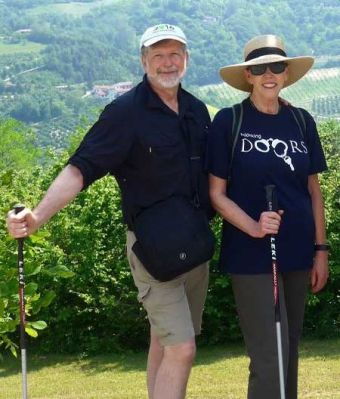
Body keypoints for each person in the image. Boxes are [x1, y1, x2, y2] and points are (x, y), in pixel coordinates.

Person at [6, 24, 212, 399]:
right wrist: (37, 216)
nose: (168, 63)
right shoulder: (124, 113)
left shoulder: (197, 111)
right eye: (158, 55)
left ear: (187, 58)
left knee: (163, 342)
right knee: (182, 349)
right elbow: (79, 169)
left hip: (196, 247)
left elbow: (217, 177)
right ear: (143, 60)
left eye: (174, 54)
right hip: (153, 251)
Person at [207, 35, 329, 399]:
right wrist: (254, 227)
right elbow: (216, 194)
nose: (269, 74)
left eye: (276, 66)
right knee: (268, 356)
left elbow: (313, 192)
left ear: (287, 72)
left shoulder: (301, 120)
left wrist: (320, 249)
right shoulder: (230, 121)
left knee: (288, 352)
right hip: (251, 254)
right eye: (259, 68)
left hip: (297, 250)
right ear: (248, 76)